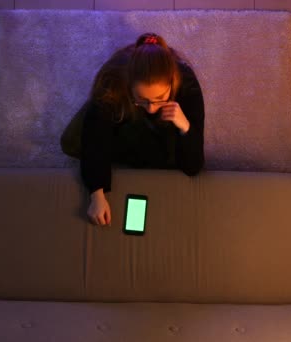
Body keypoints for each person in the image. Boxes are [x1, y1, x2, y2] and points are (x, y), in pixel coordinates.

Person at [61, 32, 205, 226]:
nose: (152, 108)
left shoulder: (187, 83)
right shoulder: (112, 80)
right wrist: (97, 194)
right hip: (120, 111)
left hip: (161, 126)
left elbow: (193, 165)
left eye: (159, 99)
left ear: (172, 83)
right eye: (143, 100)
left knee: (165, 157)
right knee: (73, 140)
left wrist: (184, 125)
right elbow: (95, 139)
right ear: (129, 86)